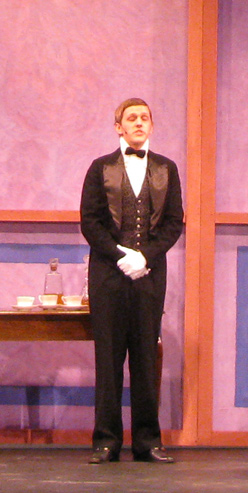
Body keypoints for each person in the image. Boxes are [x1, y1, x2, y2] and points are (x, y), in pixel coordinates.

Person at [79, 97, 184, 463]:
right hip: (108, 275)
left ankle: (147, 441)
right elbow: (89, 222)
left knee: (145, 358)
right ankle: (105, 441)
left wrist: (146, 256)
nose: (139, 123)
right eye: (131, 118)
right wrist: (121, 255)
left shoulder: (167, 169)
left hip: (150, 276)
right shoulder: (99, 168)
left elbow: (174, 223)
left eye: (145, 118)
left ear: (152, 126)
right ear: (118, 127)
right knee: (108, 360)